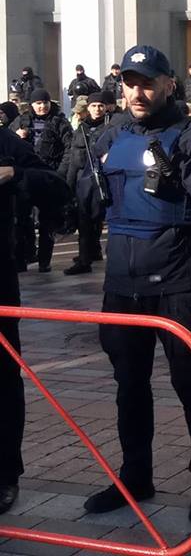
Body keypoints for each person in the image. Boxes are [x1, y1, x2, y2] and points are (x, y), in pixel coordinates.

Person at [78, 45, 191, 523]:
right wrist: (85, 180)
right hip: (123, 284)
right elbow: (85, 204)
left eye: (147, 83)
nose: (138, 92)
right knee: (129, 385)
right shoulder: (112, 134)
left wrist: (179, 169)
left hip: (177, 283)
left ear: (169, 84)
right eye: (130, 83)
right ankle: (136, 476)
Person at [0, 126, 70, 515]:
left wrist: (15, 174)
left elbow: (55, 185)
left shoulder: (4, 141)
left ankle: (4, 474)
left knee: (2, 381)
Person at [9, 90, 72, 272]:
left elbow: (69, 149)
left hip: (49, 178)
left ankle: (45, 261)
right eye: (38, 103)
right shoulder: (21, 121)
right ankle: (22, 258)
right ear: (32, 105)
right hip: (25, 178)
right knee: (21, 220)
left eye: (45, 102)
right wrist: (17, 135)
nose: (42, 106)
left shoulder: (59, 122)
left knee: (47, 222)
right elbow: (7, 142)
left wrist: (60, 174)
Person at [60, 92, 112, 274]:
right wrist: (68, 183)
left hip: (102, 178)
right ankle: (85, 257)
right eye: (94, 106)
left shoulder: (111, 127)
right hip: (82, 178)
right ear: (88, 108)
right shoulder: (81, 128)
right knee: (83, 219)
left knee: (96, 218)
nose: (97, 109)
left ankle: (90, 253)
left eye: (100, 106)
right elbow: (73, 158)